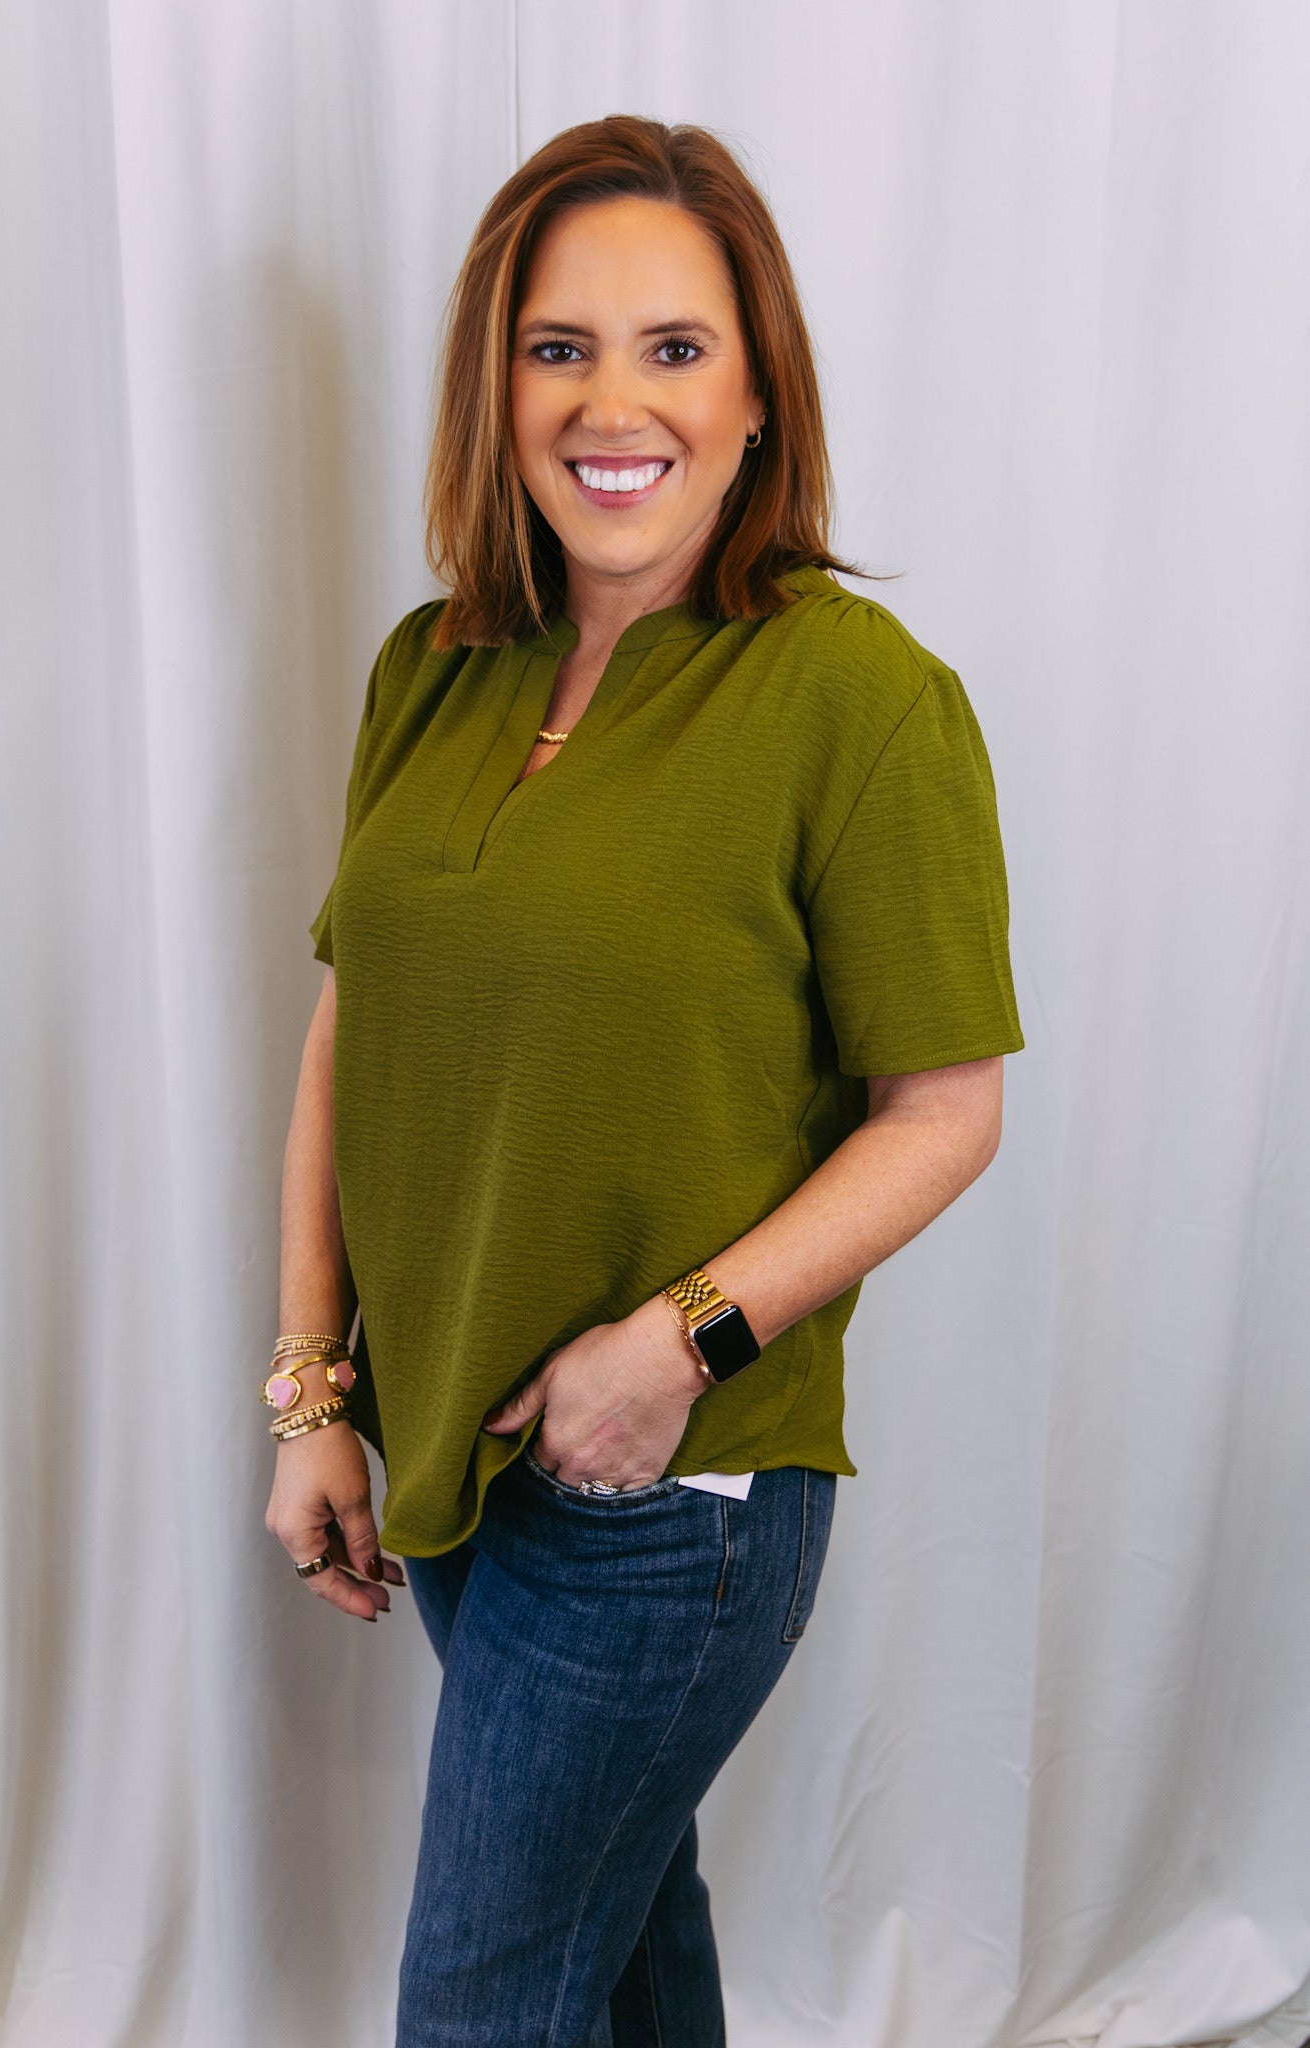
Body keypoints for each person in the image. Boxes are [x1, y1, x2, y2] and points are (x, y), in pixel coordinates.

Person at [264, 114, 1025, 2048]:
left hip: (669, 1491)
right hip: (458, 1463)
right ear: (497, 389)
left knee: (480, 2002)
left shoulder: (855, 695)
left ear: (758, 397)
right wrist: (315, 1395)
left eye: (675, 348)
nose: (614, 405)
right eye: (559, 348)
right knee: (616, 1965)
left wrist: (671, 1344)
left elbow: (943, 1111)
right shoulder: (432, 668)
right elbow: (351, 1036)